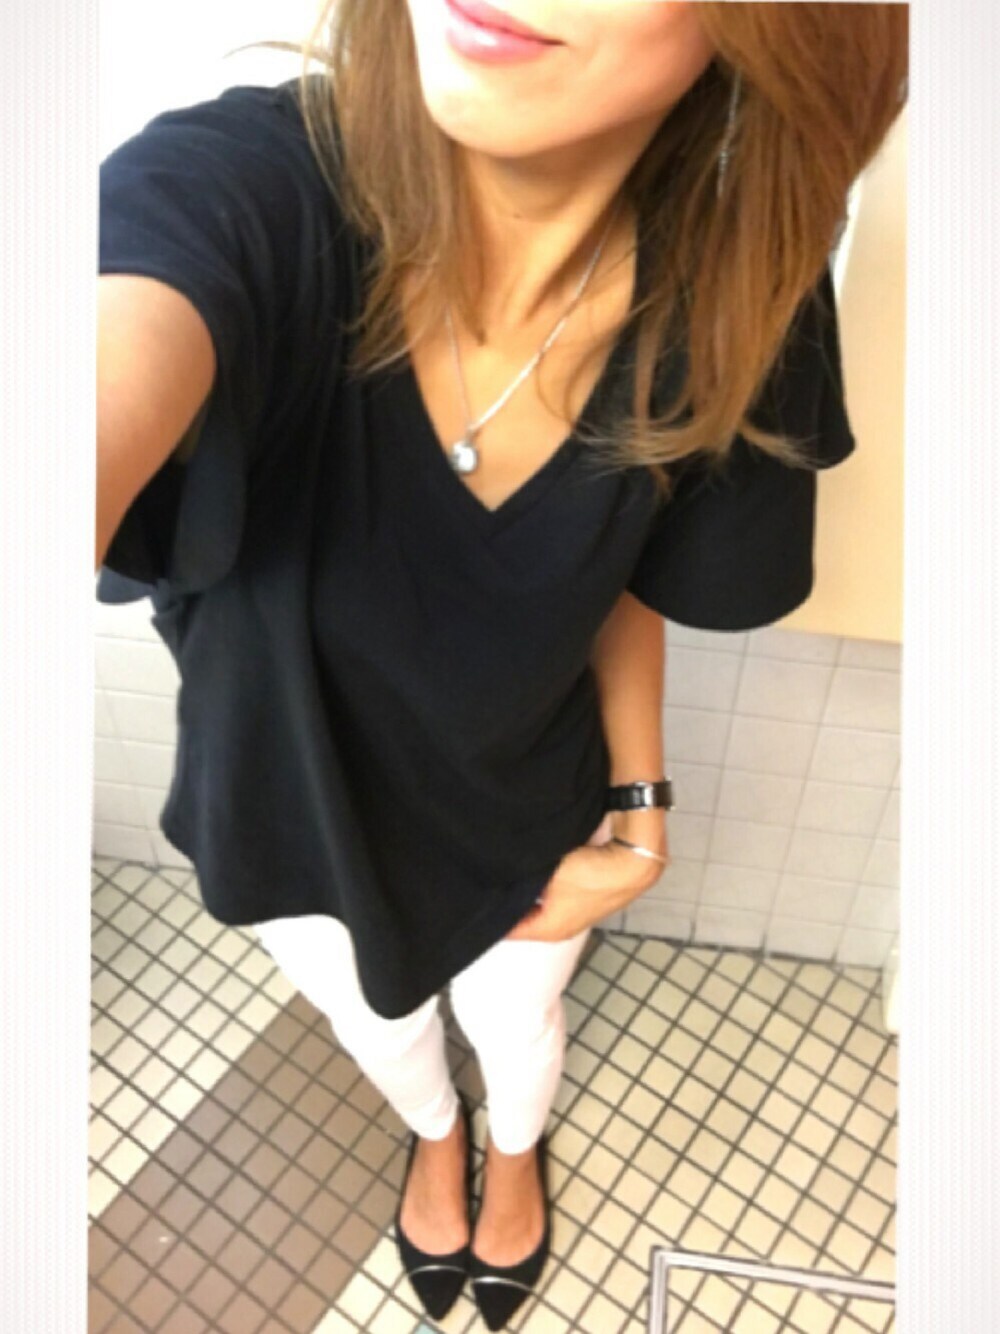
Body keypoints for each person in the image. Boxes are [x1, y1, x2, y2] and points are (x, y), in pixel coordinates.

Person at [95, 1, 908, 1326]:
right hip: (290, 812)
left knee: (519, 1023)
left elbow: (621, 567)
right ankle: (433, 1133)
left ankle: (513, 1148)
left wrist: (639, 812)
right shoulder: (245, 189)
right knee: (380, 1024)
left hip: (531, 816)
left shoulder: (739, 289)